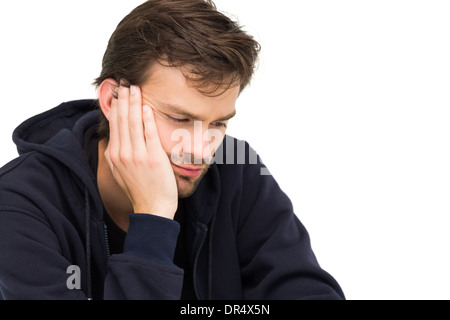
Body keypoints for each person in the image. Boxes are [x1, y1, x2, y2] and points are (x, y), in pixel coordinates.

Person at [0, 0, 344, 300]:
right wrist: (153, 216)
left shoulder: (240, 171)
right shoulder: (18, 203)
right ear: (112, 99)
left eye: (218, 123)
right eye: (180, 118)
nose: (200, 149)